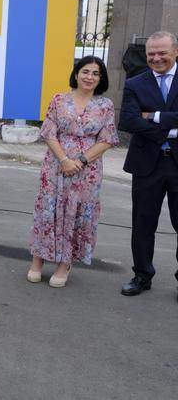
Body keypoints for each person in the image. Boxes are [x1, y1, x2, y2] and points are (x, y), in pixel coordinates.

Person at [27, 56, 118, 287]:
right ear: (76, 74)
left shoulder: (105, 106)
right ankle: (38, 259)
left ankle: (64, 264)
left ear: (101, 78)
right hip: (55, 165)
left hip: (87, 170)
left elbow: (107, 139)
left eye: (95, 73)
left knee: (76, 214)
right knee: (48, 210)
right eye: (85, 71)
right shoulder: (59, 99)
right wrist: (64, 159)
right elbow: (48, 132)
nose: (90, 77)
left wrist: (80, 160)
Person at [118, 30, 178, 298]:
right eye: (151, 53)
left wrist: (152, 116)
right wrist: (171, 129)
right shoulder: (135, 82)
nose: (156, 58)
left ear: (175, 52)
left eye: (162, 53)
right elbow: (129, 121)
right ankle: (142, 275)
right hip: (147, 165)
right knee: (143, 223)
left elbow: (141, 119)